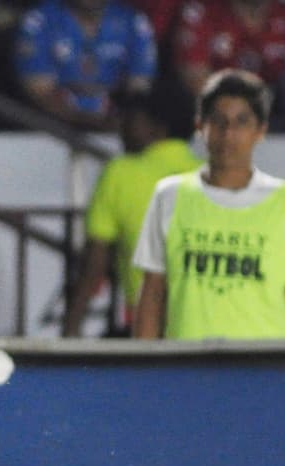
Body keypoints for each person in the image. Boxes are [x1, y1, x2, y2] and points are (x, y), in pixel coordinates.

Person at [132, 69, 285, 339]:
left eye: (241, 122)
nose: (228, 133)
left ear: (260, 131)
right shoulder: (170, 195)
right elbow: (153, 294)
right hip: (187, 369)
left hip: (266, 371)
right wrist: (139, 374)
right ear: (200, 126)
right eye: (218, 121)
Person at [61, 82, 200, 336]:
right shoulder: (212, 174)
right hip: (208, 324)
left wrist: (70, 329)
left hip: (149, 324)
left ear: (159, 127)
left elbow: (94, 264)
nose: (121, 129)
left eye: (131, 120)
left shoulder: (121, 172)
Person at [16, 0, 158, 130]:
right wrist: (95, 122)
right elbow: (41, 93)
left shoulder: (132, 21)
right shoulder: (40, 20)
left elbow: (139, 89)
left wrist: (123, 120)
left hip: (119, 130)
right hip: (53, 129)